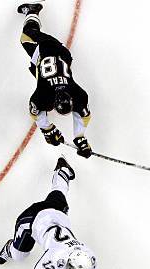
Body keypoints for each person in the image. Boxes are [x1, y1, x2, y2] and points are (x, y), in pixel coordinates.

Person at [0, 156, 112, 269]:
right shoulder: (57, 257)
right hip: (31, 220)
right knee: (19, 255)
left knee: (58, 192)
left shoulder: (88, 256)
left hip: (56, 213)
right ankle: (9, 248)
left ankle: (63, 170)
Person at [17, 1, 93, 158]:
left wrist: (49, 129)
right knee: (25, 37)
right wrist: (47, 128)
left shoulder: (74, 94)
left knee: (39, 72)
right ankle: (32, 11)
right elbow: (34, 110)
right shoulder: (51, 94)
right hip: (45, 48)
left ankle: (32, 15)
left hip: (63, 54)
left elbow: (83, 114)